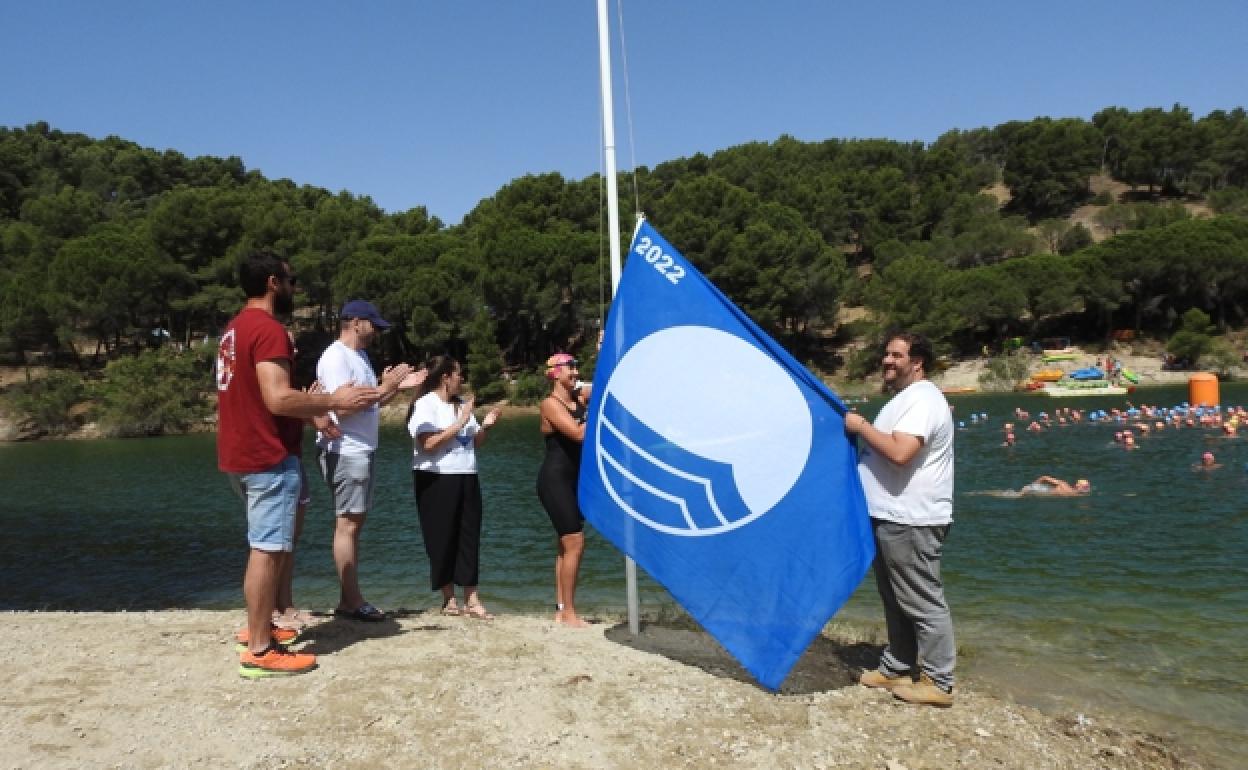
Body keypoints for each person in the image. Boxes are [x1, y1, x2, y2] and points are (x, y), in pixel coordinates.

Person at [216, 251, 380, 678]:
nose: (295, 287)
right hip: (267, 454)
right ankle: (258, 648)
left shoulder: (233, 329)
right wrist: (332, 401)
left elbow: (258, 397)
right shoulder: (268, 331)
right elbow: (276, 398)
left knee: (265, 545)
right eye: (291, 280)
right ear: (273, 282)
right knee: (267, 550)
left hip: (239, 452)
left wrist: (310, 412)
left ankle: (262, 624)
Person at [844, 331, 956, 707]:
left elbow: (900, 452)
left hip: (912, 518)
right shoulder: (905, 400)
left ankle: (939, 681)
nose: (887, 361)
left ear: (917, 362)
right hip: (891, 515)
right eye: (886, 354)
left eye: (896, 355)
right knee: (895, 598)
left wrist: (860, 428)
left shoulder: (923, 400)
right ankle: (897, 665)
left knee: (922, 600)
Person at [316, 300, 416, 623]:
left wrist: (393, 388)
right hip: (345, 450)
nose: (376, 332)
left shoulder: (359, 357)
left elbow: (370, 403)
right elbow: (343, 409)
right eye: (373, 324)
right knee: (347, 525)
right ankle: (351, 600)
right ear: (355, 322)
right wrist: (384, 386)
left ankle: (350, 598)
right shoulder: (335, 358)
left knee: (354, 525)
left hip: (361, 449)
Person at [408, 355, 501, 620]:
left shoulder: (461, 405)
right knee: (441, 537)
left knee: (469, 536)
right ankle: (449, 599)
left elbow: (474, 442)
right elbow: (428, 443)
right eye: (458, 374)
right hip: (435, 478)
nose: (462, 379)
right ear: (445, 377)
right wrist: (460, 422)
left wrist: (486, 426)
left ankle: (472, 599)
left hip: (466, 474)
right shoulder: (426, 405)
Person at [537, 353, 591, 628]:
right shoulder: (549, 404)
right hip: (554, 480)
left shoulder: (579, 398)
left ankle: (561, 609)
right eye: (570, 367)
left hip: (573, 481)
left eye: (575, 366)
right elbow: (578, 434)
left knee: (564, 545)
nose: (575, 370)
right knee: (575, 542)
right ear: (555, 373)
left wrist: (604, 347)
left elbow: (605, 384)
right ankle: (569, 612)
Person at [1021, 476, 1090, 496]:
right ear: (1078, 486)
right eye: (1085, 487)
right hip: (1036, 489)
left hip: (1043, 490)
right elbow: (1044, 477)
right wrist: (1034, 484)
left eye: (1086, 487)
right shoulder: (1064, 485)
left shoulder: (1074, 493)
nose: (1087, 489)